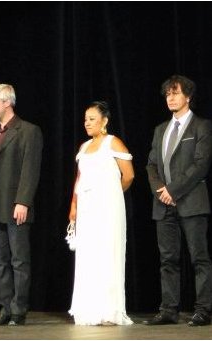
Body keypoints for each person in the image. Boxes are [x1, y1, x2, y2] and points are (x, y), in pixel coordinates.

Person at [144, 75, 212, 327]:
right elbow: (151, 165)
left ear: (188, 96)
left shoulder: (201, 126)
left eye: (175, 93)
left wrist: (173, 190)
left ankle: (202, 309)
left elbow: (200, 165)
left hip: (191, 201)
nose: (171, 98)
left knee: (199, 257)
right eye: (167, 94)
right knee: (168, 259)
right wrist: (160, 191)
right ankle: (168, 309)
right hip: (163, 204)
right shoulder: (160, 129)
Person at [0, 84, 43, 326]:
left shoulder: (28, 131)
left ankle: (19, 309)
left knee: (19, 260)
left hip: (15, 204)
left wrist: (23, 201)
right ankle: (5, 307)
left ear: (7, 103)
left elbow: (30, 169)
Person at [67, 101, 134, 326]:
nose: (87, 123)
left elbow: (129, 175)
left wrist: (110, 193)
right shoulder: (84, 147)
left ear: (104, 121)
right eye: (85, 119)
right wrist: (74, 206)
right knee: (88, 256)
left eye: (92, 118)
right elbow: (79, 179)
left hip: (108, 208)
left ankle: (109, 311)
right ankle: (88, 310)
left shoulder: (112, 142)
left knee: (108, 254)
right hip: (86, 209)